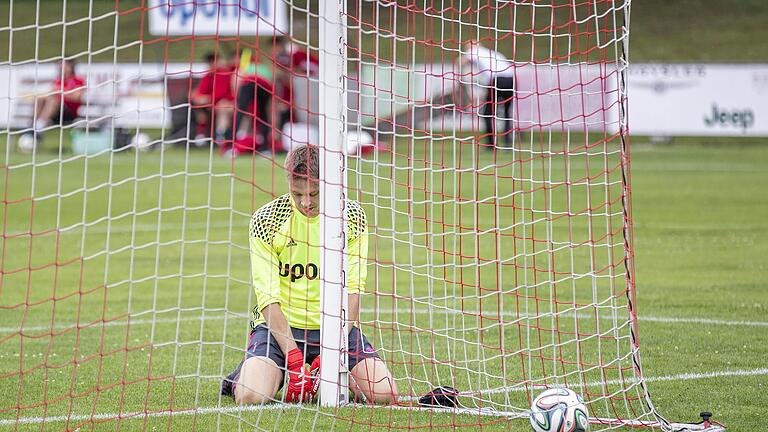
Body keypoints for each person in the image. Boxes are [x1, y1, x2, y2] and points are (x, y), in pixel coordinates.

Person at [221, 145, 398, 405]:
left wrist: (331, 352)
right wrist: (292, 355)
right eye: (297, 193)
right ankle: (248, 374)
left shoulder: (351, 217)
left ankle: (327, 373)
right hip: (279, 329)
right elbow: (267, 298)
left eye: (314, 193)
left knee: (385, 395)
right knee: (251, 396)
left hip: (335, 329)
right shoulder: (267, 220)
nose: (306, 202)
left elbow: (353, 293)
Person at [459, 40, 516, 148]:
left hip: (496, 80)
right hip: (510, 79)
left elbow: (461, 61)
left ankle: (491, 144)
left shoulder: (474, 51)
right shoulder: (493, 53)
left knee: (487, 113)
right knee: (507, 113)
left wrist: (460, 77)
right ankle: (508, 143)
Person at [19, 58, 85, 152]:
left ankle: (38, 127)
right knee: (40, 99)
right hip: (54, 114)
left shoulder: (78, 80)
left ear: (71, 66)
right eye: (59, 65)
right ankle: (33, 126)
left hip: (69, 113)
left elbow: (77, 97)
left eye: (64, 65)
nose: (61, 68)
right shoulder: (58, 81)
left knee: (53, 100)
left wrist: (61, 91)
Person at [190, 51, 236, 146]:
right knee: (198, 104)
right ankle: (201, 134)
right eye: (209, 62)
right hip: (214, 103)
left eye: (214, 61)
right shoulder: (209, 75)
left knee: (222, 107)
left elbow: (223, 93)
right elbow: (201, 91)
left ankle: (221, 137)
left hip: (228, 103)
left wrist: (210, 99)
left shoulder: (227, 72)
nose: (212, 64)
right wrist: (199, 97)